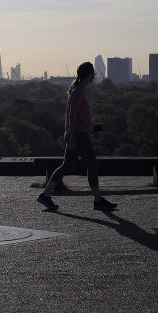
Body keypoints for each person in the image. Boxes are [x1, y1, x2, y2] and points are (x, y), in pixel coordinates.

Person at [37, 61, 118, 211]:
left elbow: (75, 117)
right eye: (93, 74)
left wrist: (91, 127)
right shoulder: (79, 91)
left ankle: (46, 195)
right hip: (79, 136)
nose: (94, 76)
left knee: (66, 165)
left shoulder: (77, 90)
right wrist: (72, 136)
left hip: (79, 133)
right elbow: (72, 117)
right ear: (88, 75)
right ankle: (98, 201)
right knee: (92, 165)